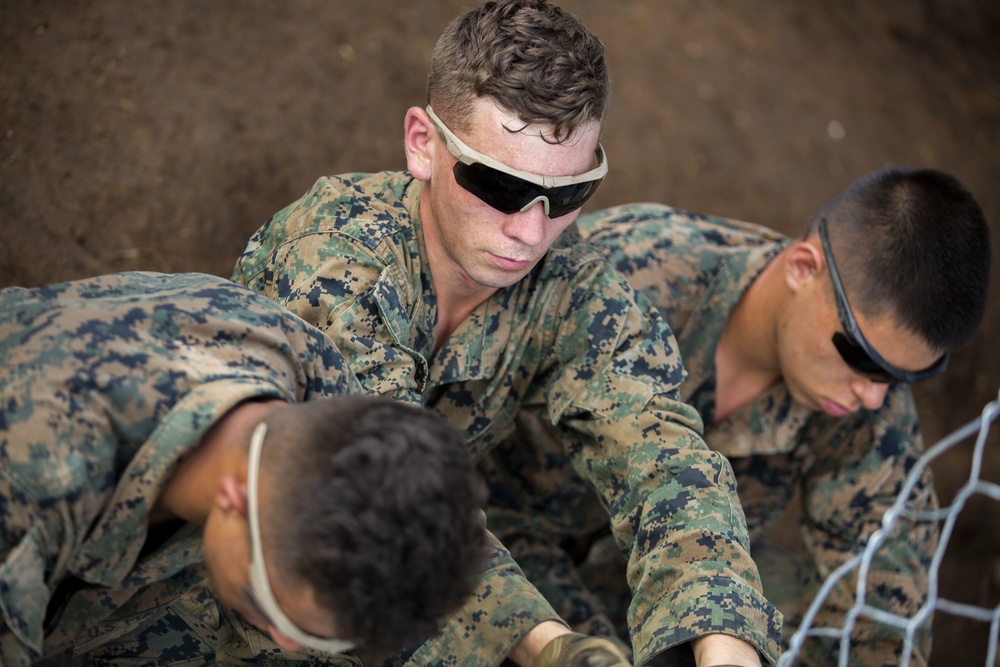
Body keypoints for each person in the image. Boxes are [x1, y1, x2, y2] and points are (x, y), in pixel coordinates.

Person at [232, 1, 782, 665]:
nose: (531, 230)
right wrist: (546, 645)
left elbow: (663, 454)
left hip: (409, 578)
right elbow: (390, 508)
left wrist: (728, 639)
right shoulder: (334, 260)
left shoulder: (571, 285)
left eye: (569, 193)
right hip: (233, 592)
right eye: (499, 184)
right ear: (421, 144)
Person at [481, 166, 992, 666]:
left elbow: (884, 605)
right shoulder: (628, 271)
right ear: (804, 268)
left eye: (903, 377)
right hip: (496, 538)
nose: (874, 395)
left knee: (789, 609)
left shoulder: (867, 408)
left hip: (662, 573)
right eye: (861, 358)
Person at [0, 271, 489, 667]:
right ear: (234, 497)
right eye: (280, 614)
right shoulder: (30, 484)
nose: (287, 641)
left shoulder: (309, 377)